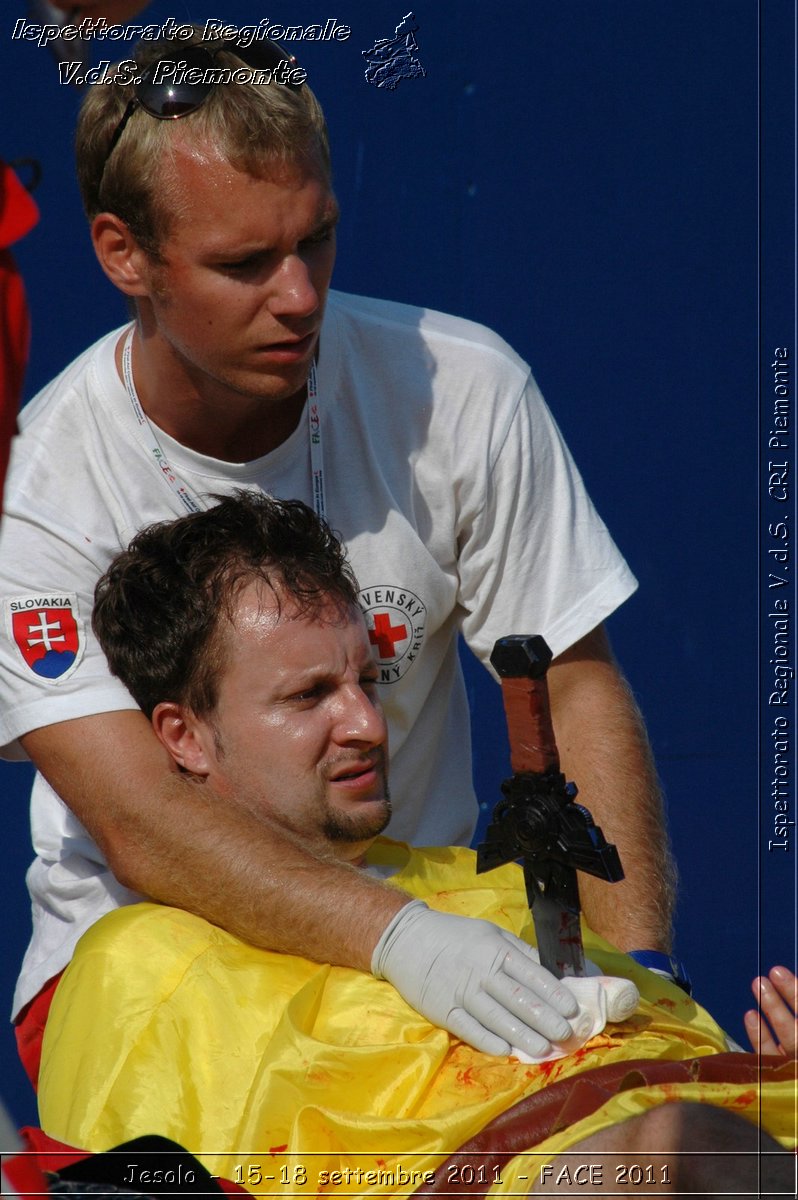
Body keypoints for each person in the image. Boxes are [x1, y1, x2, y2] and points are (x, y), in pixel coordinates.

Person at [0, 29, 678, 1083]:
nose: (301, 296)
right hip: (149, 958)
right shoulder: (37, 487)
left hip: (444, 925)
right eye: (243, 264)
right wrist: (401, 939)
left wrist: (641, 970)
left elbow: (571, 689)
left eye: (315, 240)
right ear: (121, 253)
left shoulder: (466, 387)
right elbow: (140, 817)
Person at [36, 492, 794, 1198]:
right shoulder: (139, 964)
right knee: (684, 1150)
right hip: (596, 1173)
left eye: (368, 682)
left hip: (729, 1146)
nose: (367, 724)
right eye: (309, 697)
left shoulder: (494, 882)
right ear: (184, 735)